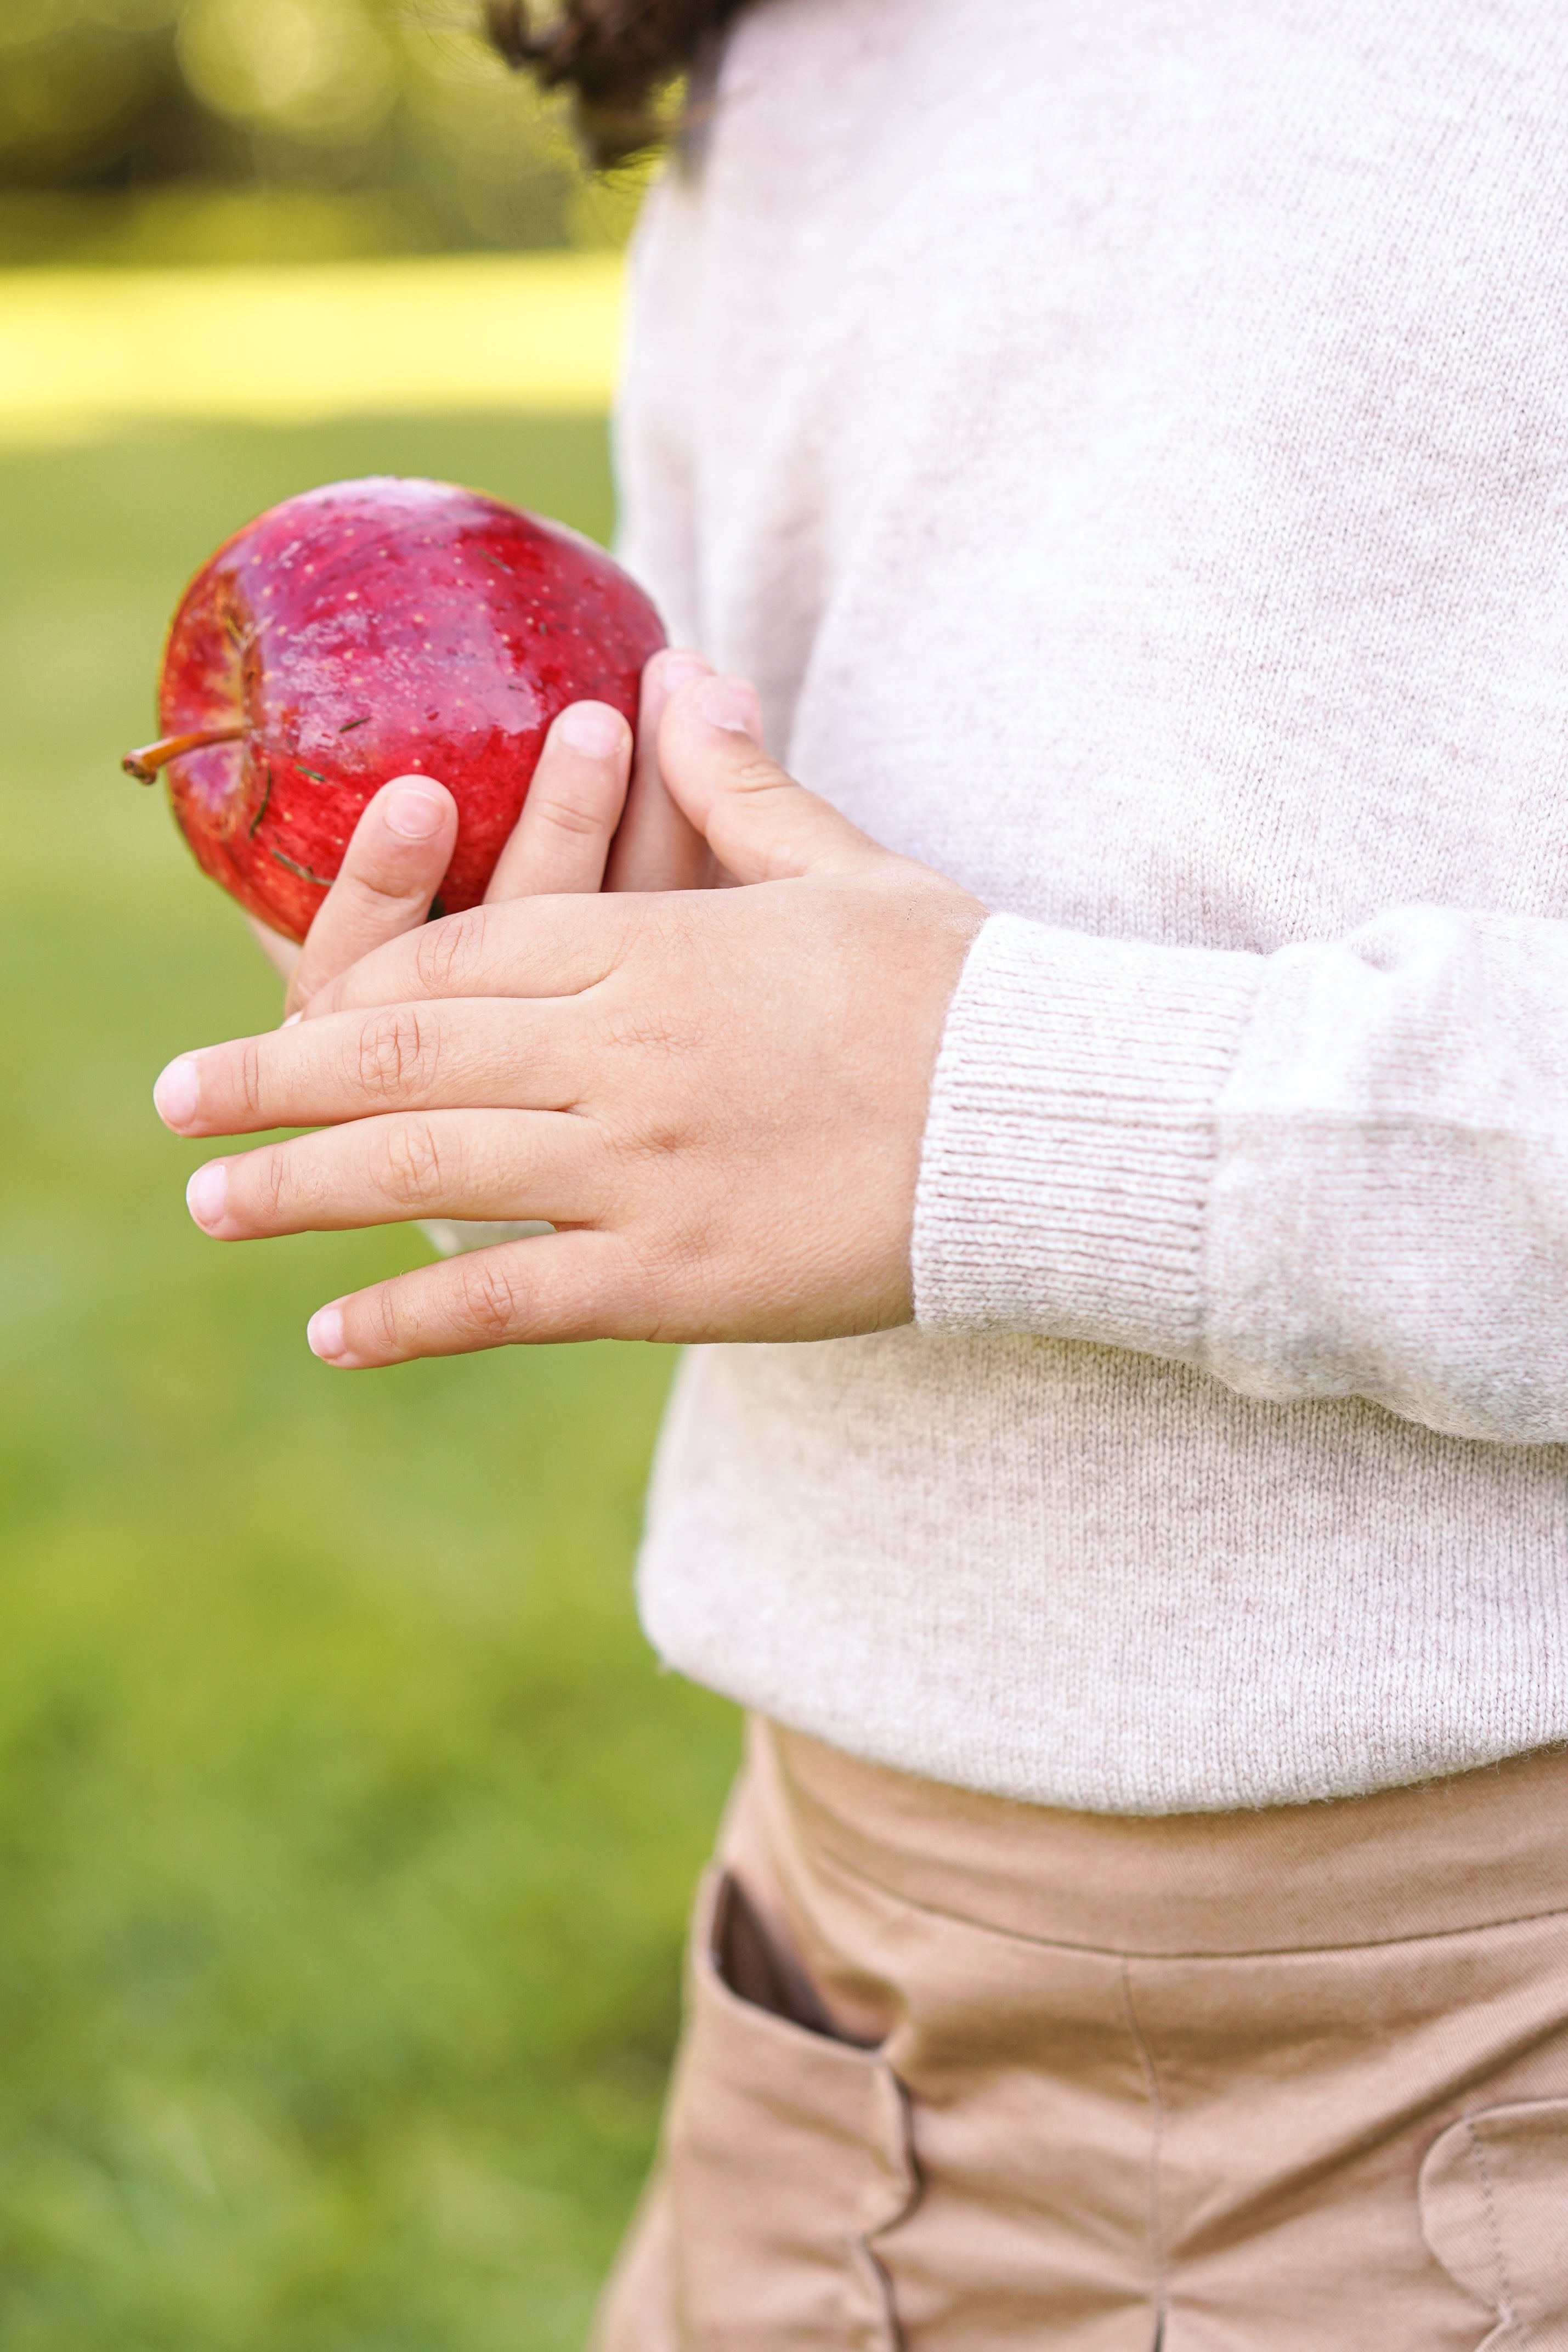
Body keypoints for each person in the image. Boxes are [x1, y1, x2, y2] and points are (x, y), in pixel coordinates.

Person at [154, 1, 1568, 2341]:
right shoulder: (790, 47)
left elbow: (938, 1086)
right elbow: (743, 844)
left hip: (1498, 2037)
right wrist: (561, 1005)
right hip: (826, 2032)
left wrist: (1000, 1112)